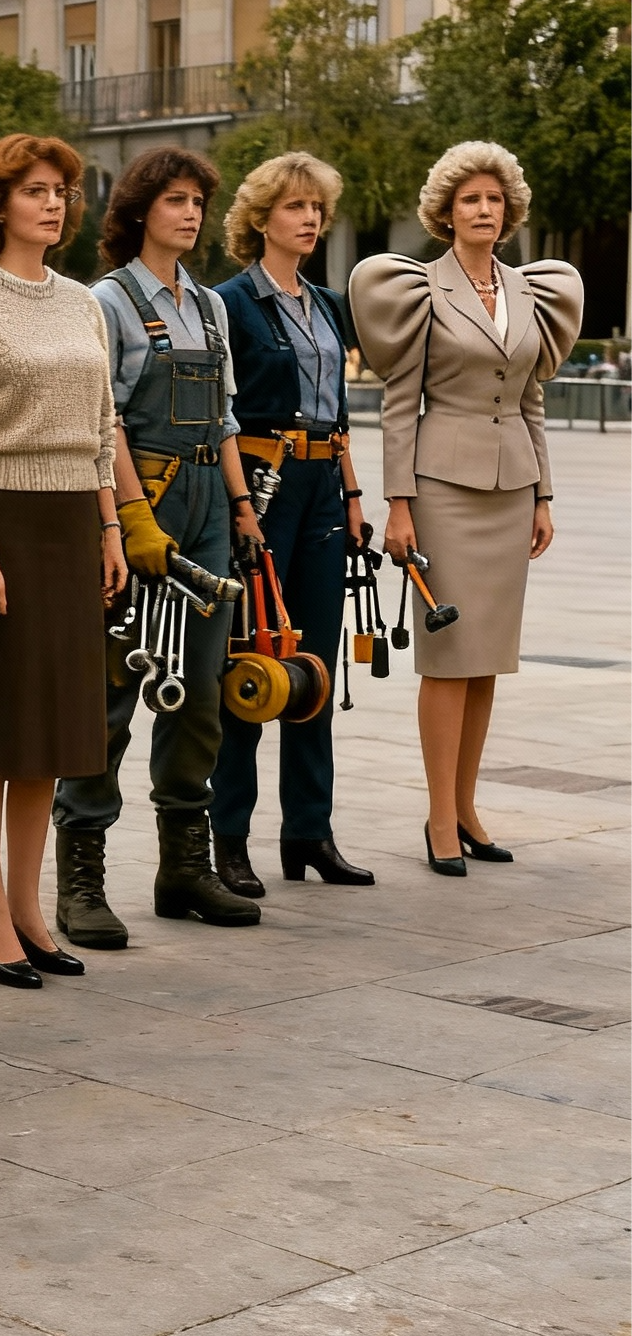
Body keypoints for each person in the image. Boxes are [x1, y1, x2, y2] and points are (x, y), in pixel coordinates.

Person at [350, 143, 582, 873]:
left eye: (494, 200)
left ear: (509, 211)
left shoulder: (530, 292)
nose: (484, 211)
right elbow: (398, 404)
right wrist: (399, 506)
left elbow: (532, 395)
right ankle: (438, 820)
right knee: (448, 660)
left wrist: (543, 493)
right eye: (469, 201)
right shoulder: (420, 289)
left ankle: (469, 808)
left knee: (486, 663)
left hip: (512, 490)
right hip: (443, 491)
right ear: (446, 215)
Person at [0, 135, 126, 988]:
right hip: (0, 526)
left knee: (47, 735)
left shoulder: (83, 302)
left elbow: (103, 424)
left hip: (72, 525)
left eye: (62, 191)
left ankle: (30, 910)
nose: (53, 203)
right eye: (35, 190)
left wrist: (111, 529)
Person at [54, 146, 266, 945]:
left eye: (198, 203)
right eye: (176, 200)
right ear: (140, 210)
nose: (191, 214)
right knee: (113, 694)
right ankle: (82, 876)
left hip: (211, 504)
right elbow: (100, 419)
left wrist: (243, 511)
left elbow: (228, 421)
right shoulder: (106, 302)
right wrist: (128, 518)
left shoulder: (210, 307)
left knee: (201, 693)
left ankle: (184, 864)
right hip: (144, 505)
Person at [210, 152, 373, 892]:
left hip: (322, 488)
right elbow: (224, 415)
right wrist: (240, 507)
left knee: (315, 667)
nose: (310, 220)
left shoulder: (330, 303)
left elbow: (338, 414)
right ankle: (229, 838)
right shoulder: (230, 304)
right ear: (261, 219)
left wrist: (355, 496)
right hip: (262, 485)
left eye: (317, 209)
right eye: (294, 207)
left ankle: (310, 831)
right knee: (252, 658)